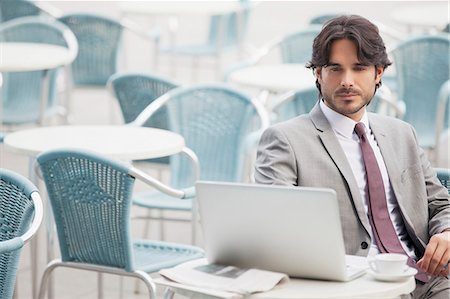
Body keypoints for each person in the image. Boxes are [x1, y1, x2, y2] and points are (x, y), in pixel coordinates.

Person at [255, 15, 450, 298]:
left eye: (359, 68)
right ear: (318, 74)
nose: (347, 81)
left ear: (378, 73)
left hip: (427, 278)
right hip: (355, 286)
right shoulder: (285, 140)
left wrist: (446, 233)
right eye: (335, 69)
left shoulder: (402, 133)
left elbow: (439, 203)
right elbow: (275, 229)